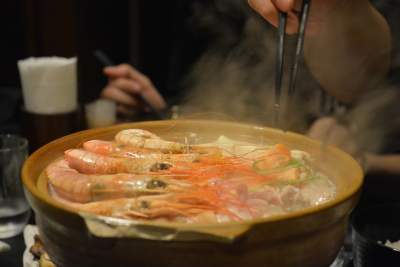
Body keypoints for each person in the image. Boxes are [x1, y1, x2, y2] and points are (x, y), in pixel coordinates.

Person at [101, 0, 400, 179]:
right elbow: (194, 92)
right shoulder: (195, 15)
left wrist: (365, 161)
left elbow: (363, 79)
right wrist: (156, 110)